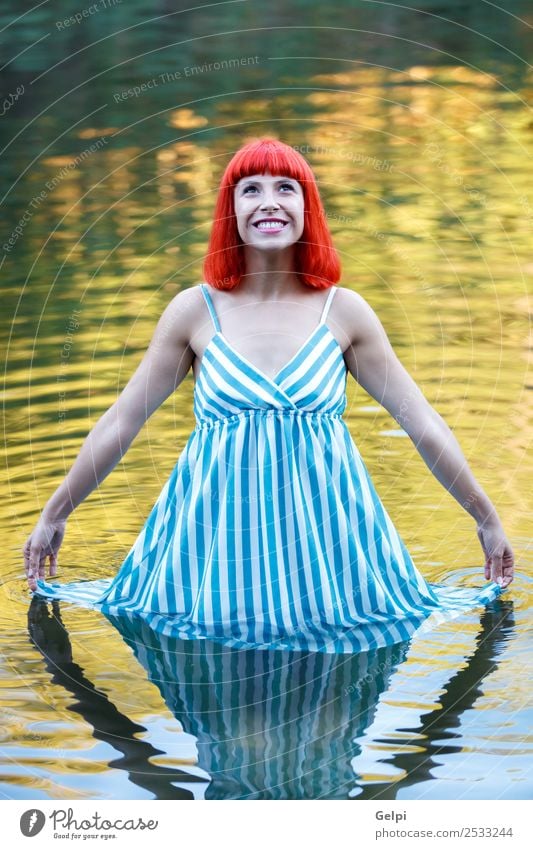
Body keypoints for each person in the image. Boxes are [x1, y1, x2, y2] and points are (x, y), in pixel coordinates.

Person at [24, 137, 514, 652]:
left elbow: (422, 423)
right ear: (230, 211)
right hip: (216, 564)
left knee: (330, 715)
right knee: (220, 699)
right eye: (250, 189)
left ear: (308, 207)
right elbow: (123, 422)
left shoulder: (344, 312)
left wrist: (485, 517)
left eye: (286, 187)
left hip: (329, 568)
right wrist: (56, 513)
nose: (269, 201)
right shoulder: (194, 311)